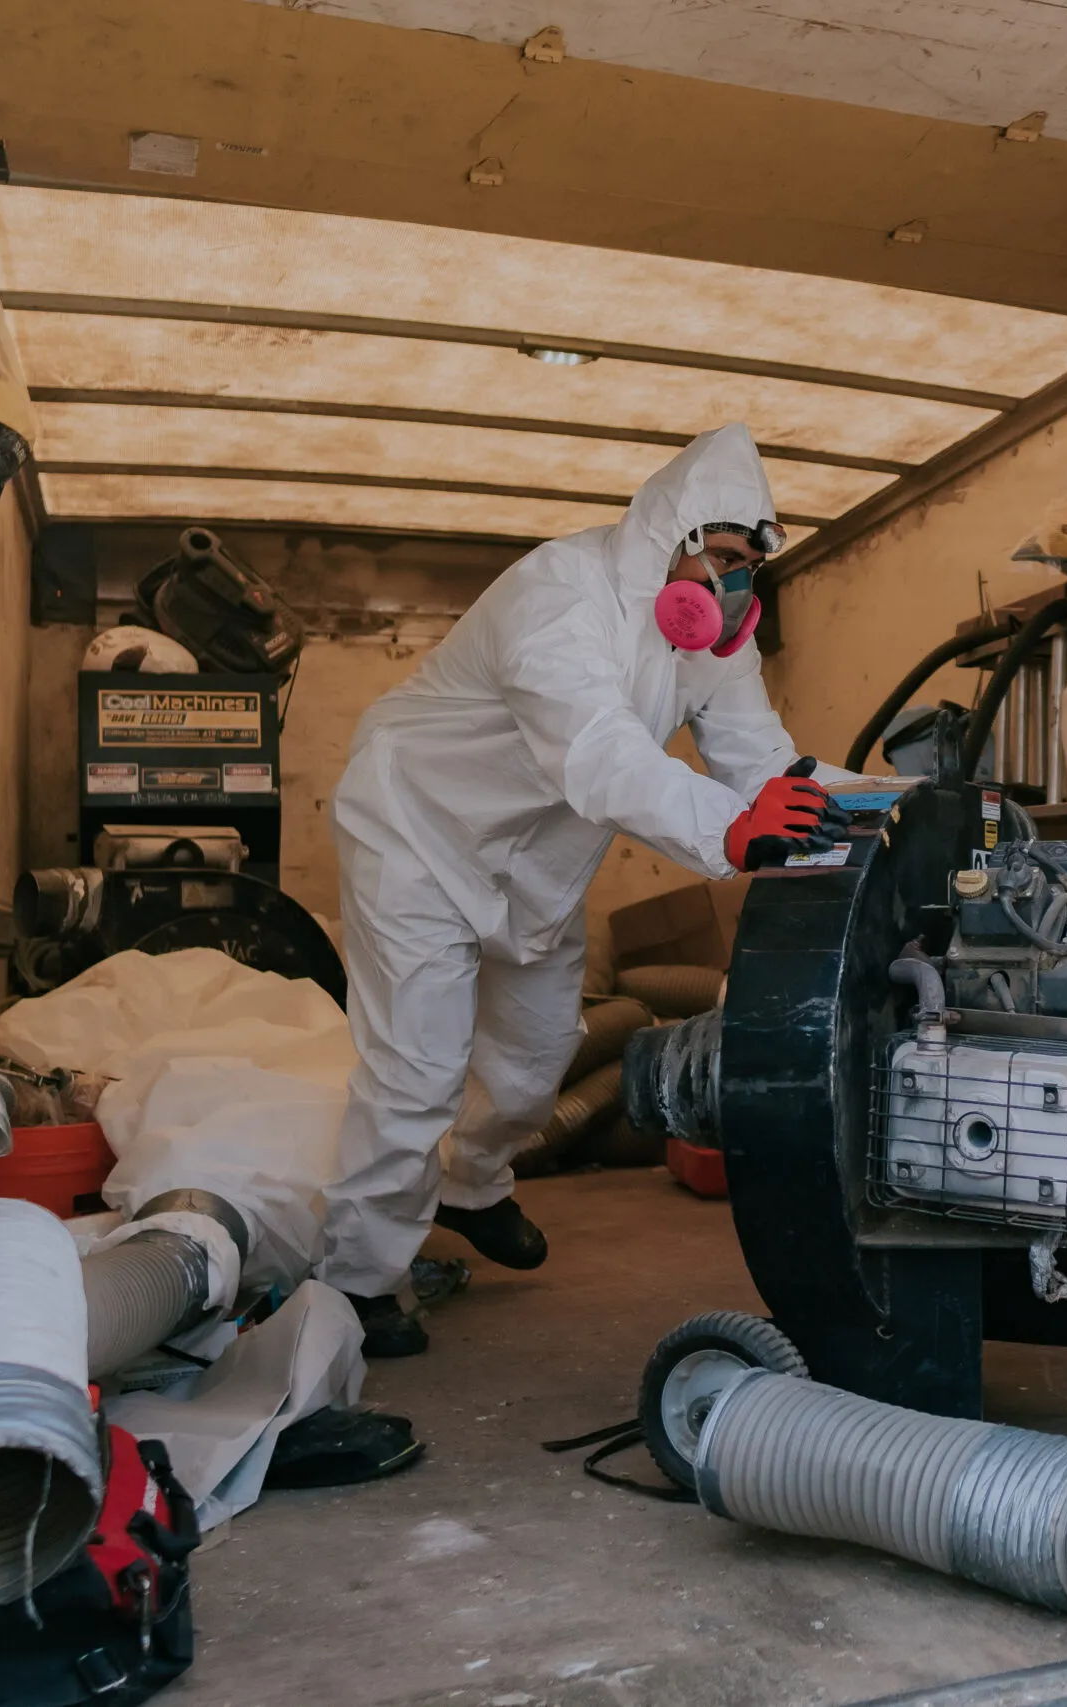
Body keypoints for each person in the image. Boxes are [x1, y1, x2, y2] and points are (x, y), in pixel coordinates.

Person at [318, 424, 854, 1356]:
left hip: (534, 856)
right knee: (418, 1068)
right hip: (416, 827)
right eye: (722, 558)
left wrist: (893, 806)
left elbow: (768, 763)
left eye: (747, 570)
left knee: (535, 1061)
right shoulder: (560, 596)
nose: (733, 589)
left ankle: (470, 1186)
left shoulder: (712, 644)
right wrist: (726, 830)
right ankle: (355, 1283)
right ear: (670, 536)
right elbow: (601, 754)